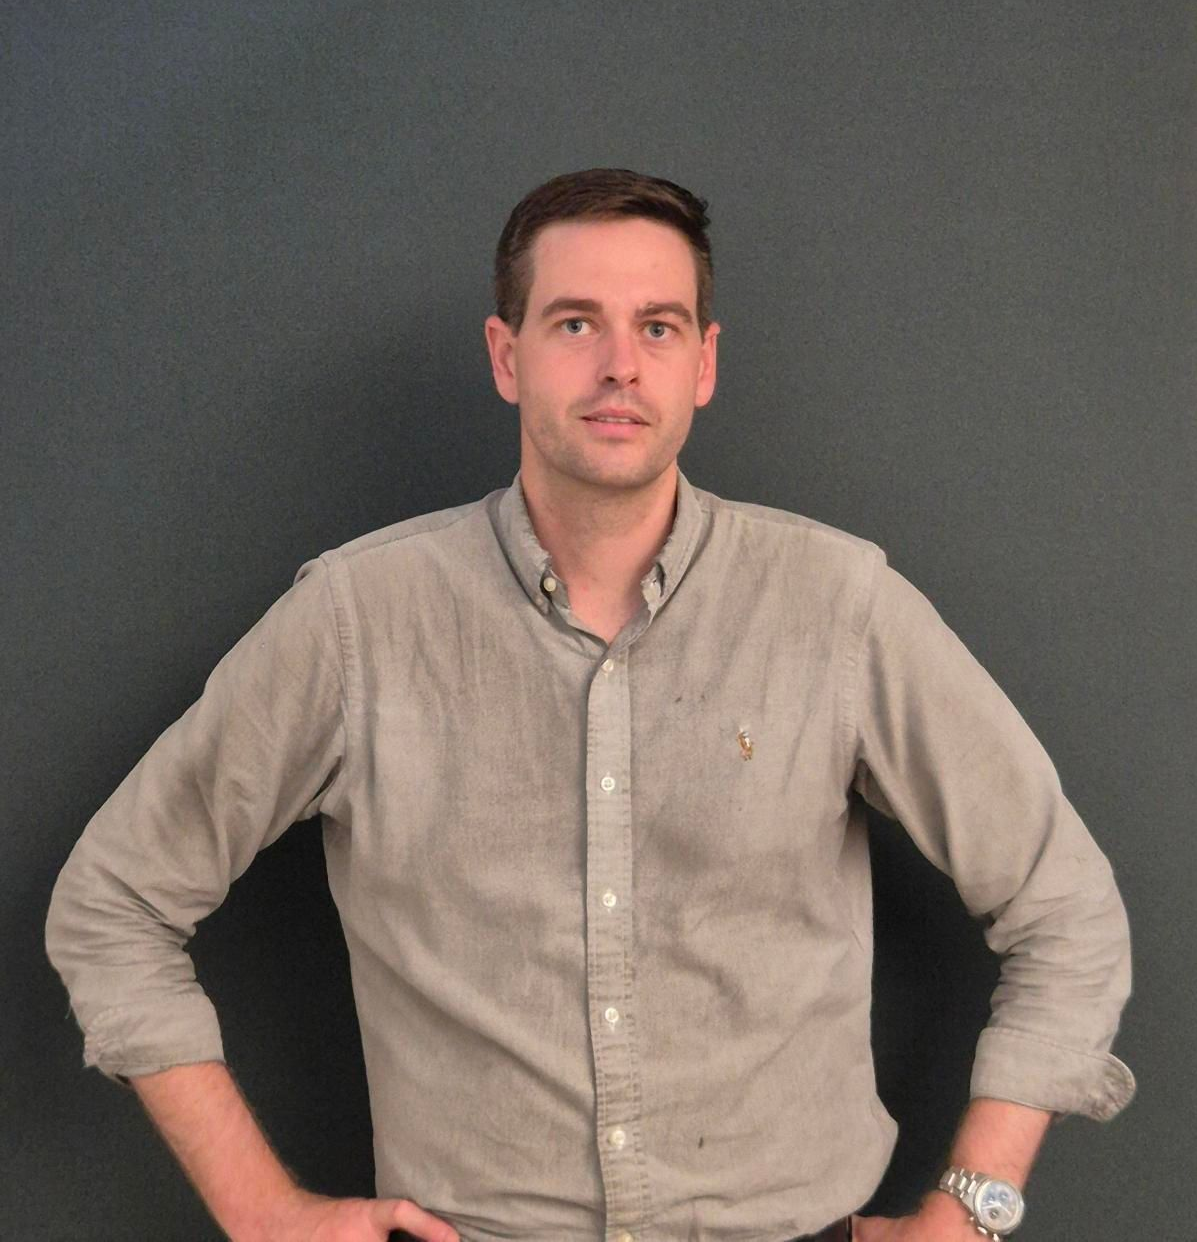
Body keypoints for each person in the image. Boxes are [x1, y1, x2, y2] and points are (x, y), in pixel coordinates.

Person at [46, 168, 1134, 1242]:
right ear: (504, 355)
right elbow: (112, 905)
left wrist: (973, 1215)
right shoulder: (357, 623)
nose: (621, 365)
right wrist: (262, 1212)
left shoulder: (838, 610)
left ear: (704, 364)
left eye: (658, 328)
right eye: (576, 324)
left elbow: (1066, 910)